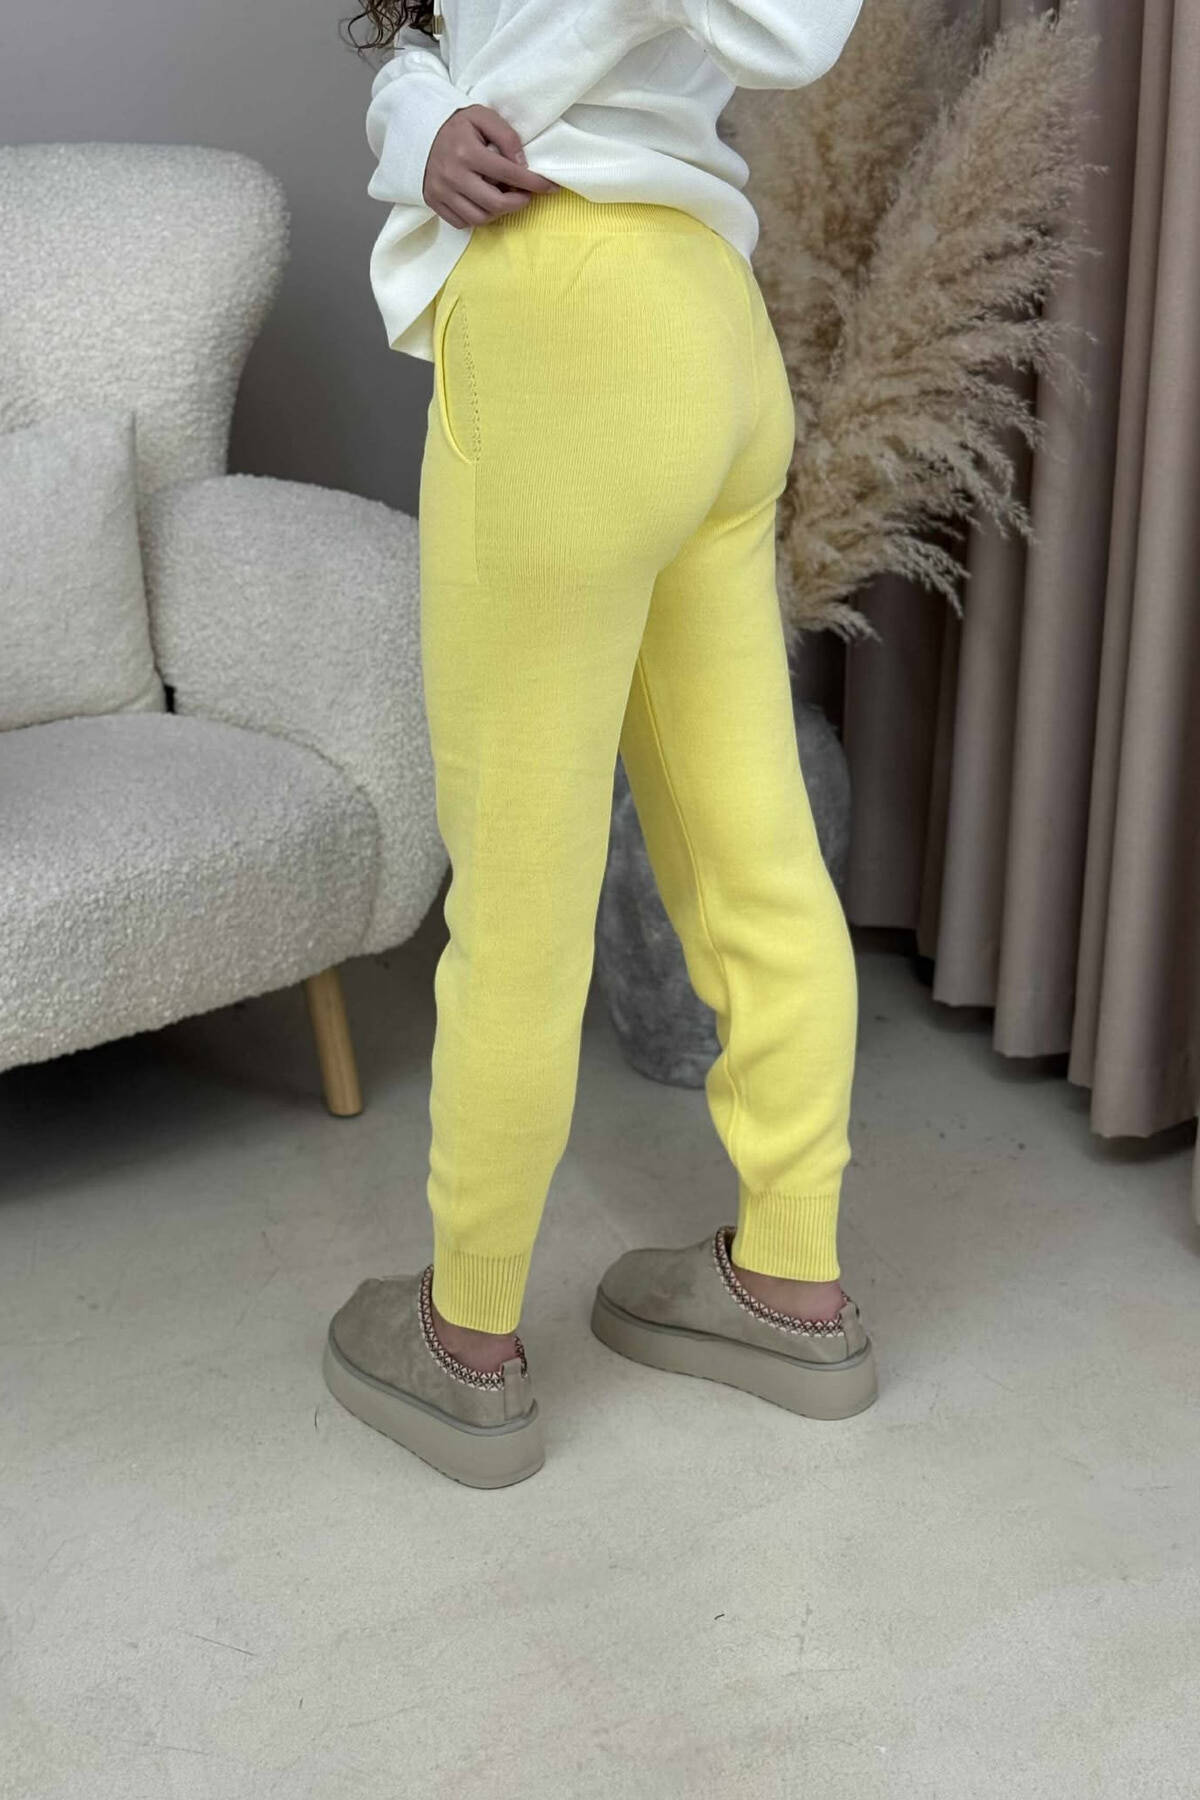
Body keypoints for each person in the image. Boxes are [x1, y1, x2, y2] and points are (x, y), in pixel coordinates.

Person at [322, 0, 877, 1488]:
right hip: (707, 324)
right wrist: (424, 123)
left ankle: (464, 1337)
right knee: (754, 853)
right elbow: (445, 50)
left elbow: (795, 30)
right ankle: (792, 1282)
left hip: (565, 321)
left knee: (520, 889)